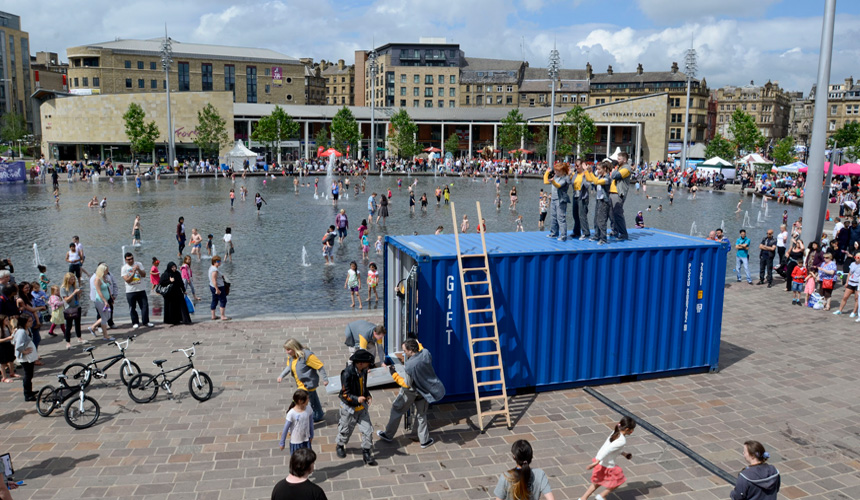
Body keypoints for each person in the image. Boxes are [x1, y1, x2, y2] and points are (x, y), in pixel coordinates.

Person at [377, 338, 445, 448]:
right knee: (422, 415)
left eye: (404, 350)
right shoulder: (426, 354)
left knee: (397, 410)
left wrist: (394, 374)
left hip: (410, 392)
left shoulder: (410, 365)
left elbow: (407, 384)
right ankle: (424, 441)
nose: (404, 352)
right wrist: (418, 342)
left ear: (410, 350)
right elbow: (422, 348)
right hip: (424, 392)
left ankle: (388, 435)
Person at [335, 348, 377, 466]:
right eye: (368, 363)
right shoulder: (347, 373)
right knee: (345, 430)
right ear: (360, 363)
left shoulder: (363, 371)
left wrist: (367, 395)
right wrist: (356, 399)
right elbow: (345, 394)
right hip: (349, 408)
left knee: (368, 430)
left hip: (362, 408)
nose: (369, 366)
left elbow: (363, 387)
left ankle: (366, 451)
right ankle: (340, 445)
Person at [579, 416, 636, 500]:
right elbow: (608, 450)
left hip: (601, 463)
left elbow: (613, 448)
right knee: (619, 480)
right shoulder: (622, 440)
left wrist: (624, 454)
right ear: (627, 429)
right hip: (607, 465)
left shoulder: (615, 432)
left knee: (597, 482)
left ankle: (583, 498)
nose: (633, 431)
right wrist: (597, 461)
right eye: (632, 429)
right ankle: (601, 496)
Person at [278, 339, 329, 422]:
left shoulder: (307, 356)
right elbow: (289, 367)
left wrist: (325, 379)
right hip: (300, 384)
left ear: (294, 348)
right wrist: (281, 376)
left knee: (298, 400)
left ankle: (297, 419)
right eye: (286, 350)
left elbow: (319, 366)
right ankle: (318, 414)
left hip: (307, 384)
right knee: (313, 398)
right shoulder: (291, 357)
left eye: (288, 350)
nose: (287, 352)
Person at [121, 253, 152, 330]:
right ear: (126, 260)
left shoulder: (139, 264)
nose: (131, 260)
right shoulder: (124, 268)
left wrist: (138, 269)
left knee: (144, 306)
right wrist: (133, 273)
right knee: (132, 307)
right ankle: (135, 322)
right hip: (130, 291)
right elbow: (127, 280)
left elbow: (144, 275)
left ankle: (146, 321)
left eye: (132, 258)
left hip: (141, 289)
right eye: (129, 259)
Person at [278, 389, 315, 453]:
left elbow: (311, 422)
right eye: (307, 399)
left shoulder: (308, 408)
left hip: (306, 440)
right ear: (300, 401)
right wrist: (282, 443)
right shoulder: (291, 413)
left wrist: (311, 435)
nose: (308, 400)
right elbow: (285, 429)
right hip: (296, 442)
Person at [11, 317, 38, 401]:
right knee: (27, 375)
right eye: (29, 321)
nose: (31, 322)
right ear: (24, 322)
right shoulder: (21, 331)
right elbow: (18, 345)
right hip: (25, 358)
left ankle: (29, 391)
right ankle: (27, 394)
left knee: (30, 375)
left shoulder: (27, 329)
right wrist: (24, 351)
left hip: (29, 357)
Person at [543, 162, 570, 242]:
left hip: (560, 200)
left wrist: (553, 181)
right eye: (555, 170)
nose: (556, 172)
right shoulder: (556, 176)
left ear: (563, 171)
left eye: (557, 171)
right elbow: (546, 182)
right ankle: (554, 233)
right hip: (554, 199)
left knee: (561, 218)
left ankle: (563, 235)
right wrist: (547, 172)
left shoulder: (565, 178)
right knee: (553, 216)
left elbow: (558, 185)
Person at [608, 153, 633, 241]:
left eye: (619, 159)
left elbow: (615, 176)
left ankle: (623, 234)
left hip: (618, 194)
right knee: (611, 214)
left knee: (618, 214)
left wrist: (614, 166)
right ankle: (615, 231)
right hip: (611, 192)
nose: (617, 160)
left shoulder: (627, 168)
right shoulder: (619, 168)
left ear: (625, 160)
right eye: (617, 159)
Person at [88, 264, 114, 340]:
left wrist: (110, 297)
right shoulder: (97, 279)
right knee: (104, 318)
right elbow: (99, 291)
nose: (107, 271)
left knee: (108, 316)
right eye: (106, 270)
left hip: (107, 299)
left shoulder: (104, 278)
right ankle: (105, 335)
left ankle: (92, 327)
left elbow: (107, 287)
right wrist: (105, 301)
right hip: (100, 301)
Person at [59, 273, 83, 348]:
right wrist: (74, 293)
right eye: (71, 279)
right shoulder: (63, 288)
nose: (73, 281)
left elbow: (78, 298)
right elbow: (66, 300)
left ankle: (79, 337)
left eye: (74, 279)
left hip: (77, 306)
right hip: (69, 308)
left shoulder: (74, 286)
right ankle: (68, 342)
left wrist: (79, 293)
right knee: (69, 326)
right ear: (67, 279)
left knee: (78, 324)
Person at [833, 252, 860, 317]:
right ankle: (840, 310)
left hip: (857, 283)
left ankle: (854, 312)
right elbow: (849, 273)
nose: (856, 258)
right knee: (845, 297)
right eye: (855, 257)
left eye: (858, 257)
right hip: (851, 282)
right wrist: (847, 282)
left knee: (856, 299)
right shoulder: (852, 264)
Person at [571, 158, 591, 240]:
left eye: (578, 166)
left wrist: (585, 173)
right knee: (575, 214)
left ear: (582, 166)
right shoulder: (575, 174)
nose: (576, 167)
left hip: (582, 196)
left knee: (582, 215)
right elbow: (570, 182)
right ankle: (576, 231)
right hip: (575, 195)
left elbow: (587, 185)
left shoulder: (586, 174)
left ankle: (586, 232)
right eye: (575, 166)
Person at [208, 256, 229, 321]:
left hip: (212, 286)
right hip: (218, 287)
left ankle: (213, 316)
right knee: (223, 300)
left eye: (220, 261)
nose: (219, 262)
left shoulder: (212, 268)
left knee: (214, 300)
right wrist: (217, 289)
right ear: (214, 262)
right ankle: (222, 316)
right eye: (218, 261)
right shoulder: (215, 270)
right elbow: (214, 280)